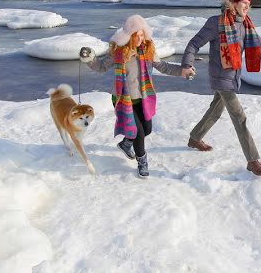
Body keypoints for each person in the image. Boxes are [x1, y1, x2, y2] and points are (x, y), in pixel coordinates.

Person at [180, 0, 261, 176]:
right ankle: (253, 160)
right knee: (239, 117)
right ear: (232, 3)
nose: (247, 6)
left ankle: (194, 138)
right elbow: (194, 43)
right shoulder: (216, 23)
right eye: (244, 3)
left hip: (232, 77)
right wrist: (187, 64)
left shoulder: (245, 25)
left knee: (215, 110)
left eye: (249, 4)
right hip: (220, 76)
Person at [80, 14, 194, 178]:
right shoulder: (118, 52)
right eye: (136, 35)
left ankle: (126, 143)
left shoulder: (147, 50)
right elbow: (101, 67)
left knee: (147, 129)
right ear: (129, 36)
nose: (140, 38)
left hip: (142, 97)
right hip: (122, 98)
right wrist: (89, 58)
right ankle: (142, 161)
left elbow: (163, 66)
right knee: (138, 132)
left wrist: (182, 71)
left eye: (142, 35)